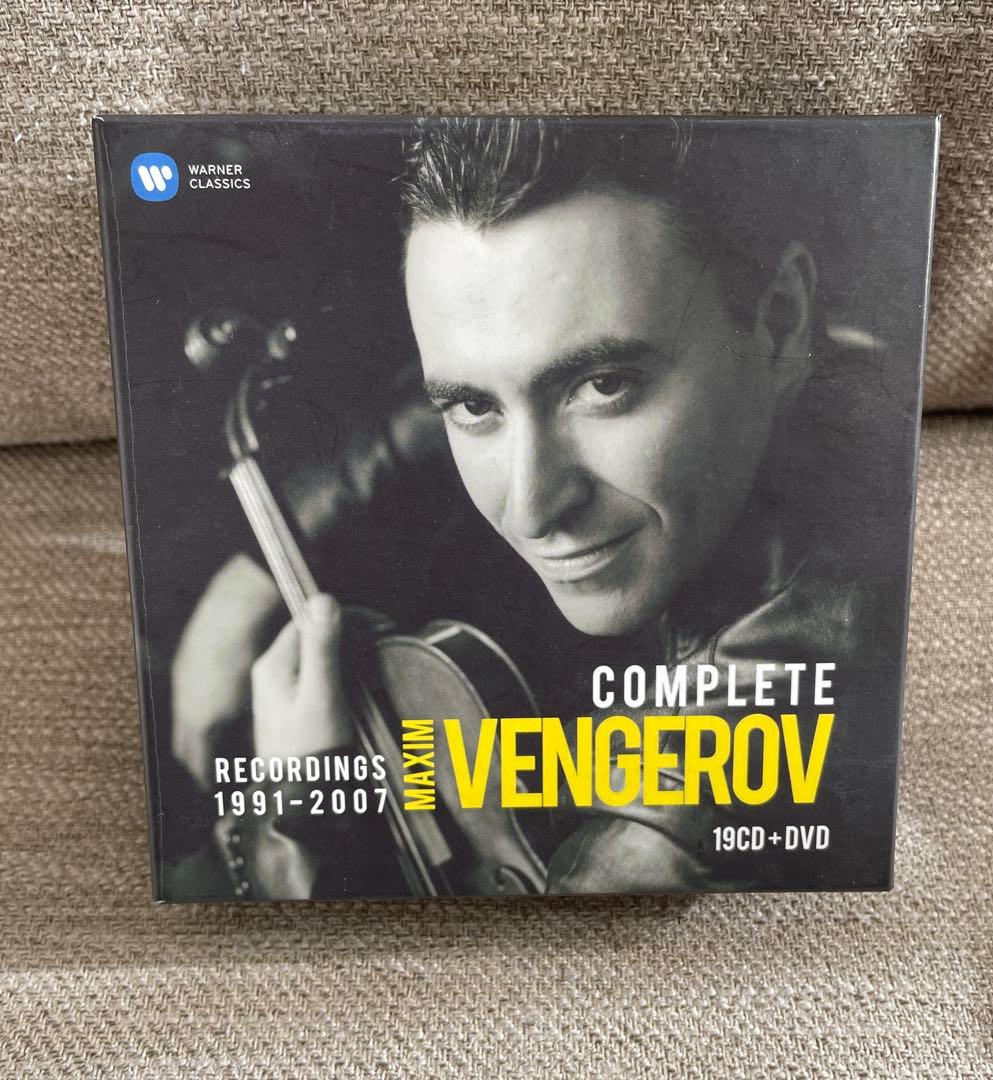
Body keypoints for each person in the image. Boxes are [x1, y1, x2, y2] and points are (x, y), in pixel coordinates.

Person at [172, 118, 888, 898]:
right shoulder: (842, 378)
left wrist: (297, 822)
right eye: (476, 406)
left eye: (605, 385)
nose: (532, 508)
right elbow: (454, 395)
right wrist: (255, 570)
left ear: (779, 319)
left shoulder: (702, 792)